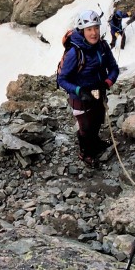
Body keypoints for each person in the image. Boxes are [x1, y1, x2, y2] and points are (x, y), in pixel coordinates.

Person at [56, 9, 120, 167]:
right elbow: (62, 79)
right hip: (80, 97)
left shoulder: (103, 46)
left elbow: (113, 68)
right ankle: (85, 153)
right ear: (82, 31)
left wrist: (107, 83)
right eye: (89, 29)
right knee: (85, 127)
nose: (94, 33)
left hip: (98, 91)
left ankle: (95, 143)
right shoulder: (75, 52)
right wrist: (79, 90)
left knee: (97, 119)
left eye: (96, 28)